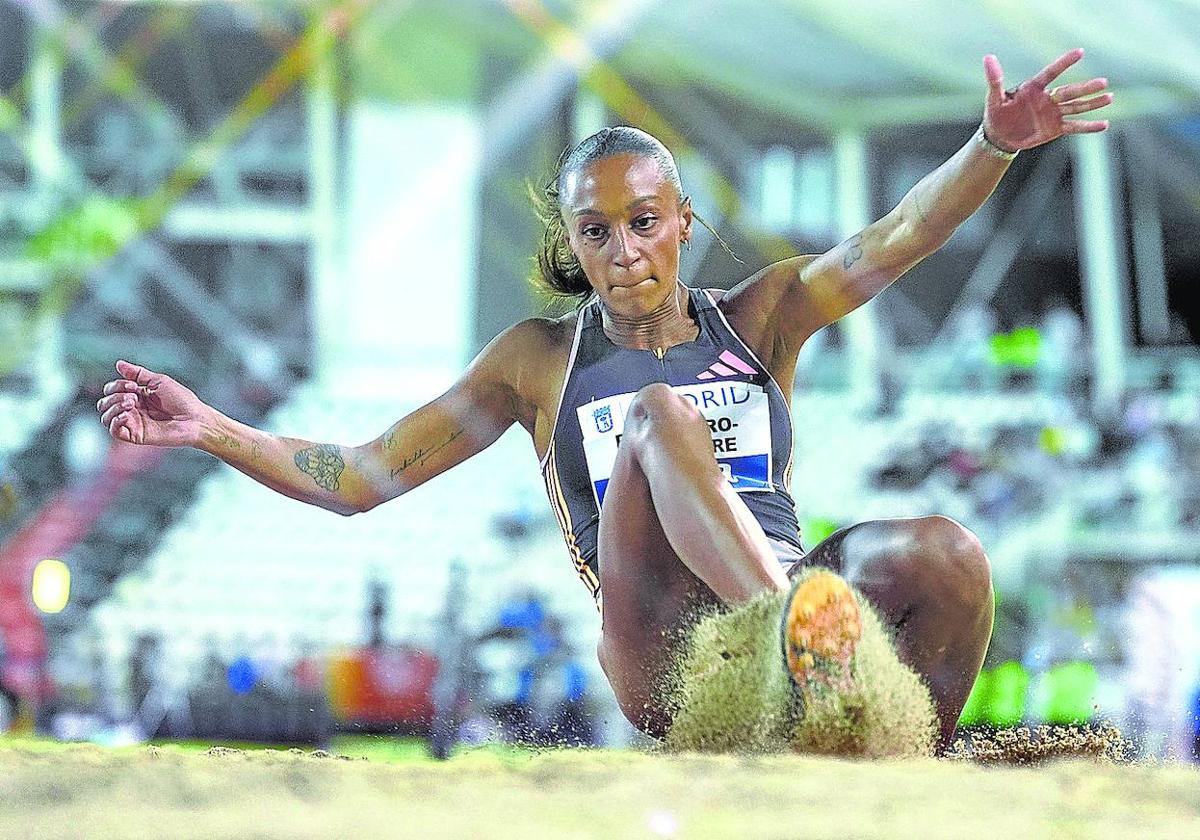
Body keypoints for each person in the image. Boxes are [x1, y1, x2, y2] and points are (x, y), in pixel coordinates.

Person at [97, 50, 1111, 751]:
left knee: (951, 553)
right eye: (597, 232)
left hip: (803, 603)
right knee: (660, 416)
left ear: (682, 223)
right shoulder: (536, 362)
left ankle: (898, 761)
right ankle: (800, 630)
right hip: (668, 640)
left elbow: (899, 234)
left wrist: (992, 144)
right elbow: (360, 478)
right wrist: (210, 429)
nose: (623, 253)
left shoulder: (764, 315)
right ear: (573, 245)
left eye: (643, 223)